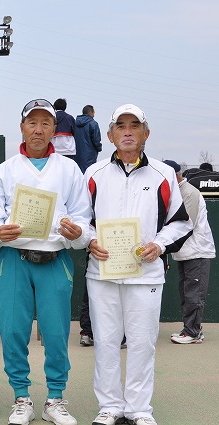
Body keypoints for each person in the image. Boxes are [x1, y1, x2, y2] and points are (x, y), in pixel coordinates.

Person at [0, 99, 91, 425]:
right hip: (15, 258)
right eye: (32, 122)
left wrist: (78, 232)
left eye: (46, 123)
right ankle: (21, 397)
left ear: (54, 129)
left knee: (56, 333)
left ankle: (55, 398)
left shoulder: (69, 169)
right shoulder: (5, 170)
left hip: (55, 258)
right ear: (22, 127)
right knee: (13, 331)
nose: (39, 129)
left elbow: (83, 219)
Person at [85, 104, 192, 425]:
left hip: (146, 275)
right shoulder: (93, 174)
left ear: (146, 133)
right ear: (110, 135)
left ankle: (139, 409)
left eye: (135, 125)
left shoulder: (163, 175)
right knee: (105, 342)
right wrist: (89, 240)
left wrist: (158, 244)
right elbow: (79, 219)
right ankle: (110, 407)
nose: (128, 132)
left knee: (143, 343)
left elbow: (180, 222)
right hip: (102, 274)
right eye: (121, 126)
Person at [163, 159, 215, 344]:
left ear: (175, 175)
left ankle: (192, 332)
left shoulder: (189, 192)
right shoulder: (176, 192)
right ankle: (192, 330)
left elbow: (186, 223)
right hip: (185, 253)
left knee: (194, 294)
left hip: (197, 251)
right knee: (187, 293)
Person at [74, 104, 102, 173]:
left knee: (78, 173)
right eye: (93, 112)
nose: (94, 114)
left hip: (76, 153)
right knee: (89, 173)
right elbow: (96, 140)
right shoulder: (93, 124)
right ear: (90, 112)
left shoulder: (75, 123)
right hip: (90, 154)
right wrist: (99, 148)